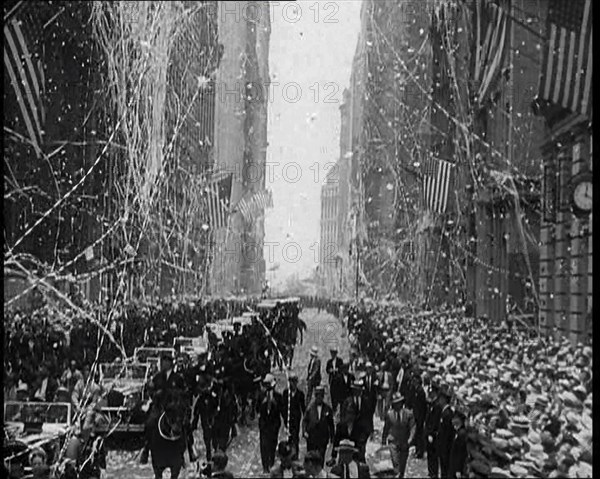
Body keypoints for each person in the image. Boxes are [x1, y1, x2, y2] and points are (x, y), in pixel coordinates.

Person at [382, 393, 415, 478]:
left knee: (402, 464)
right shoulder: (390, 414)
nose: (397, 405)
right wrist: (384, 438)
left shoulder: (408, 414)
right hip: (393, 441)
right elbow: (386, 427)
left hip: (404, 442)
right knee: (395, 462)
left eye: (398, 403)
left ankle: (401, 475)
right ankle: (397, 474)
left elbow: (413, 427)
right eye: (395, 403)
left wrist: (410, 439)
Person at [303, 386, 335, 463]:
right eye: (317, 395)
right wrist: (304, 432)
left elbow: (331, 424)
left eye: (321, 395)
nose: (319, 397)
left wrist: (332, 436)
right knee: (311, 457)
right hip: (311, 438)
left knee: (320, 457)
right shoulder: (310, 408)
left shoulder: (327, 409)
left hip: (322, 438)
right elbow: (305, 421)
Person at [259, 374, 283, 474]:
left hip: (274, 425)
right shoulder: (261, 395)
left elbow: (281, 411)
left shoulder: (278, 396)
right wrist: (263, 404)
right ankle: (265, 466)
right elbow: (257, 410)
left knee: (272, 445)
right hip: (264, 425)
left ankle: (271, 462)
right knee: (264, 445)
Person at [281, 373, 306, 460]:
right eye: (291, 382)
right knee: (289, 437)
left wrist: (304, 420)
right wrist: (284, 418)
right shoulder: (285, 393)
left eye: (294, 382)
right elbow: (283, 407)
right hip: (288, 420)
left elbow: (303, 408)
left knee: (295, 437)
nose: (292, 384)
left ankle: (295, 455)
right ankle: (288, 454)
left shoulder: (300, 394)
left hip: (296, 420)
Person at [436, 385, 454, 479]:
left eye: (440, 399)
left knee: (445, 471)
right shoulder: (444, 412)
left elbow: (446, 434)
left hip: (445, 448)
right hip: (443, 447)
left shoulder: (447, 414)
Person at [425, 382, 442, 478]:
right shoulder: (431, 403)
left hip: (433, 434)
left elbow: (435, 421)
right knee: (429, 454)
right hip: (428, 432)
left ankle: (433, 473)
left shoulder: (437, 406)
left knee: (433, 455)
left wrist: (431, 433)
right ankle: (430, 471)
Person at [448, 410, 467, 479]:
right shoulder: (457, 432)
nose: (453, 420)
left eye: (455, 418)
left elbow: (460, 452)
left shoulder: (462, 433)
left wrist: (458, 469)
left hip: (457, 467)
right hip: (453, 464)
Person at [326, 347, 344, 413]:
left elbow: (342, 369)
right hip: (332, 381)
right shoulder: (329, 362)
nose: (332, 354)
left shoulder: (340, 361)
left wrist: (337, 370)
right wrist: (330, 370)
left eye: (334, 353)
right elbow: (327, 370)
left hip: (338, 381)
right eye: (332, 353)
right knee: (332, 395)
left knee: (338, 395)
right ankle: (334, 409)